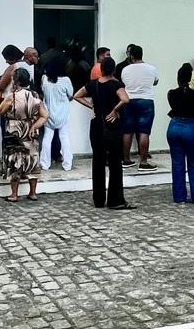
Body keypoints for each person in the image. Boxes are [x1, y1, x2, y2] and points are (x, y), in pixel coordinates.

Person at [73, 57, 133, 210]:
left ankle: (99, 199)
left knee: (98, 162)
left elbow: (76, 96)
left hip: (96, 126)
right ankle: (115, 200)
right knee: (114, 163)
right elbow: (125, 99)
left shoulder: (93, 84)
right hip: (111, 126)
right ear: (113, 69)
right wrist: (115, 110)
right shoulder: (116, 84)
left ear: (101, 69)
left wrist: (91, 106)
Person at [0, 68, 47, 201]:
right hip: (30, 129)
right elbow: (45, 116)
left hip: (15, 130)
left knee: (15, 160)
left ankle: (14, 194)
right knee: (32, 160)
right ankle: (32, 192)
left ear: (16, 81)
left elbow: (1, 111)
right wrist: (34, 126)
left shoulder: (12, 96)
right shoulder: (35, 95)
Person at [166, 63, 194, 205]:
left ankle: (179, 196)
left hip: (174, 126)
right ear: (190, 78)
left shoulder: (171, 94)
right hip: (191, 127)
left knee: (177, 163)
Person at [119, 44, 159, 171]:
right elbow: (155, 82)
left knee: (127, 131)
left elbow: (123, 82)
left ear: (131, 56)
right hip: (146, 101)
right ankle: (143, 162)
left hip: (129, 101)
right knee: (144, 132)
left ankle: (126, 160)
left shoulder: (125, 69)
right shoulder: (151, 68)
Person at [39, 58, 74, 172]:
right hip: (63, 114)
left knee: (47, 138)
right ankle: (67, 164)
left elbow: (43, 92)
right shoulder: (66, 80)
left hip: (48, 113)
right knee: (64, 138)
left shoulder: (44, 79)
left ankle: (45, 164)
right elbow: (71, 95)